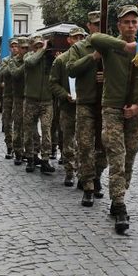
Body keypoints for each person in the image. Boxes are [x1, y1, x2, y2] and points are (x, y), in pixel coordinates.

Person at [90, 5, 138, 233]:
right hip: (112, 109)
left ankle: (116, 194)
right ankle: (119, 204)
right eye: (126, 22)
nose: (131, 26)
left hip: (135, 112)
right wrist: (124, 46)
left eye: (134, 22)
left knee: (129, 157)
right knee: (117, 156)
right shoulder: (112, 47)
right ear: (119, 25)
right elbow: (94, 37)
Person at [67, 19, 108, 207]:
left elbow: (123, 71)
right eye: (95, 24)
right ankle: (89, 185)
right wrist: (92, 57)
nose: (98, 27)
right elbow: (72, 69)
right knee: (84, 144)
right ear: (89, 26)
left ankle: (97, 175)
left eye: (101, 24)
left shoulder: (112, 45)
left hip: (106, 103)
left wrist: (106, 75)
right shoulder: (79, 47)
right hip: (85, 102)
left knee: (105, 144)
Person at [49, 28, 84, 186]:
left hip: (85, 106)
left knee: (85, 141)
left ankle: (84, 173)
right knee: (68, 139)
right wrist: (65, 95)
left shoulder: (90, 58)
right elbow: (53, 83)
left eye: (81, 37)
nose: (78, 39)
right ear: (69, 40)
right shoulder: (61, 60)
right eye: (75, 37)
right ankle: (70, 171)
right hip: (67, 106)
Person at [22, 36, 56, 174]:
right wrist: (41, 50)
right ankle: (31, 157)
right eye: (36, 46)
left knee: (46, 130)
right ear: (32, 47)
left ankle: (46, 159)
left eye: (41, 45)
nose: (39, 48)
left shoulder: (50, 58)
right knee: (30, 131)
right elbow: (30, 62)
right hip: (31, 100)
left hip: (47, 101)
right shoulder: (29, 56)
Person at [0, 39, 19, 159]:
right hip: (8, 95)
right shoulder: (6, 60)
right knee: (7, 122)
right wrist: (12, 62)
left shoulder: (24, 59)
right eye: (12, 46)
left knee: (19, 123)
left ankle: (19, 148)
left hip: (19, 95)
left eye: (17, 46)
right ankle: (9, 147)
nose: (15, 48)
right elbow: (3, 72)